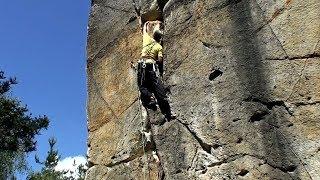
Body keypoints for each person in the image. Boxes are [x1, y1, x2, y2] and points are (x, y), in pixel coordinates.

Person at [136, 19, 176, 121]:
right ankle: (167, 111)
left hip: (142, 65)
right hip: (152, 67)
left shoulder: (147, 40)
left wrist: (151, 22)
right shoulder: (159, 46)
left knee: (142, 85)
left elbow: (145, 28)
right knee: (158, 88)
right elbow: (160, 60)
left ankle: (150, 97)